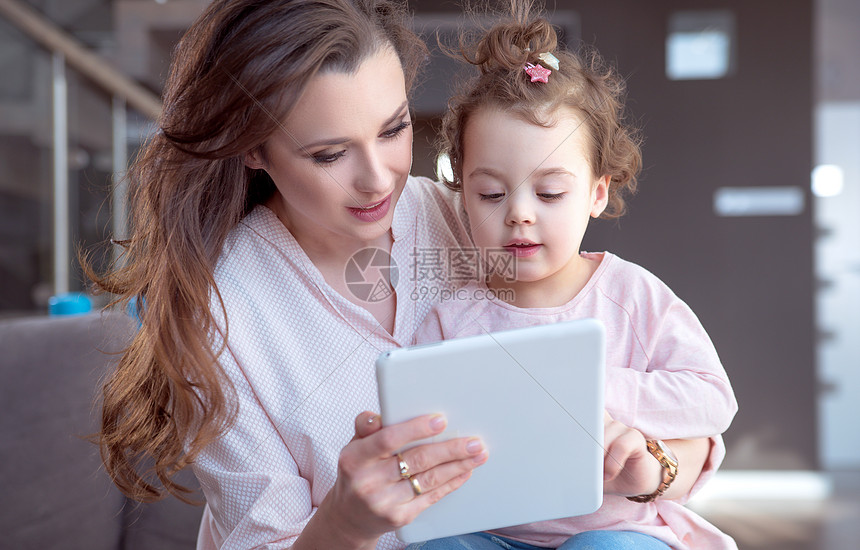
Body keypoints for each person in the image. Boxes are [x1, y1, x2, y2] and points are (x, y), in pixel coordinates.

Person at [86, 1, 722, 548]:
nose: (378, 178)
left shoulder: (466, 216)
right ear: (253, 149)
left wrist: (657, 465)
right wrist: (345, 521)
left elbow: (680, 412)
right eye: (329, 153)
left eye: (393, 130)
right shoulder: (223, 310)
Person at [408, 1, 739, 549]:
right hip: (488, 530)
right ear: (462, 196)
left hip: (614, 527)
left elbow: (712, 399)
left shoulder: (632, 296)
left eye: (550, 193)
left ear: (597, 192)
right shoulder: (452, 318)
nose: (519, 213)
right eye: (490, 193)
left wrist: (586, 391)